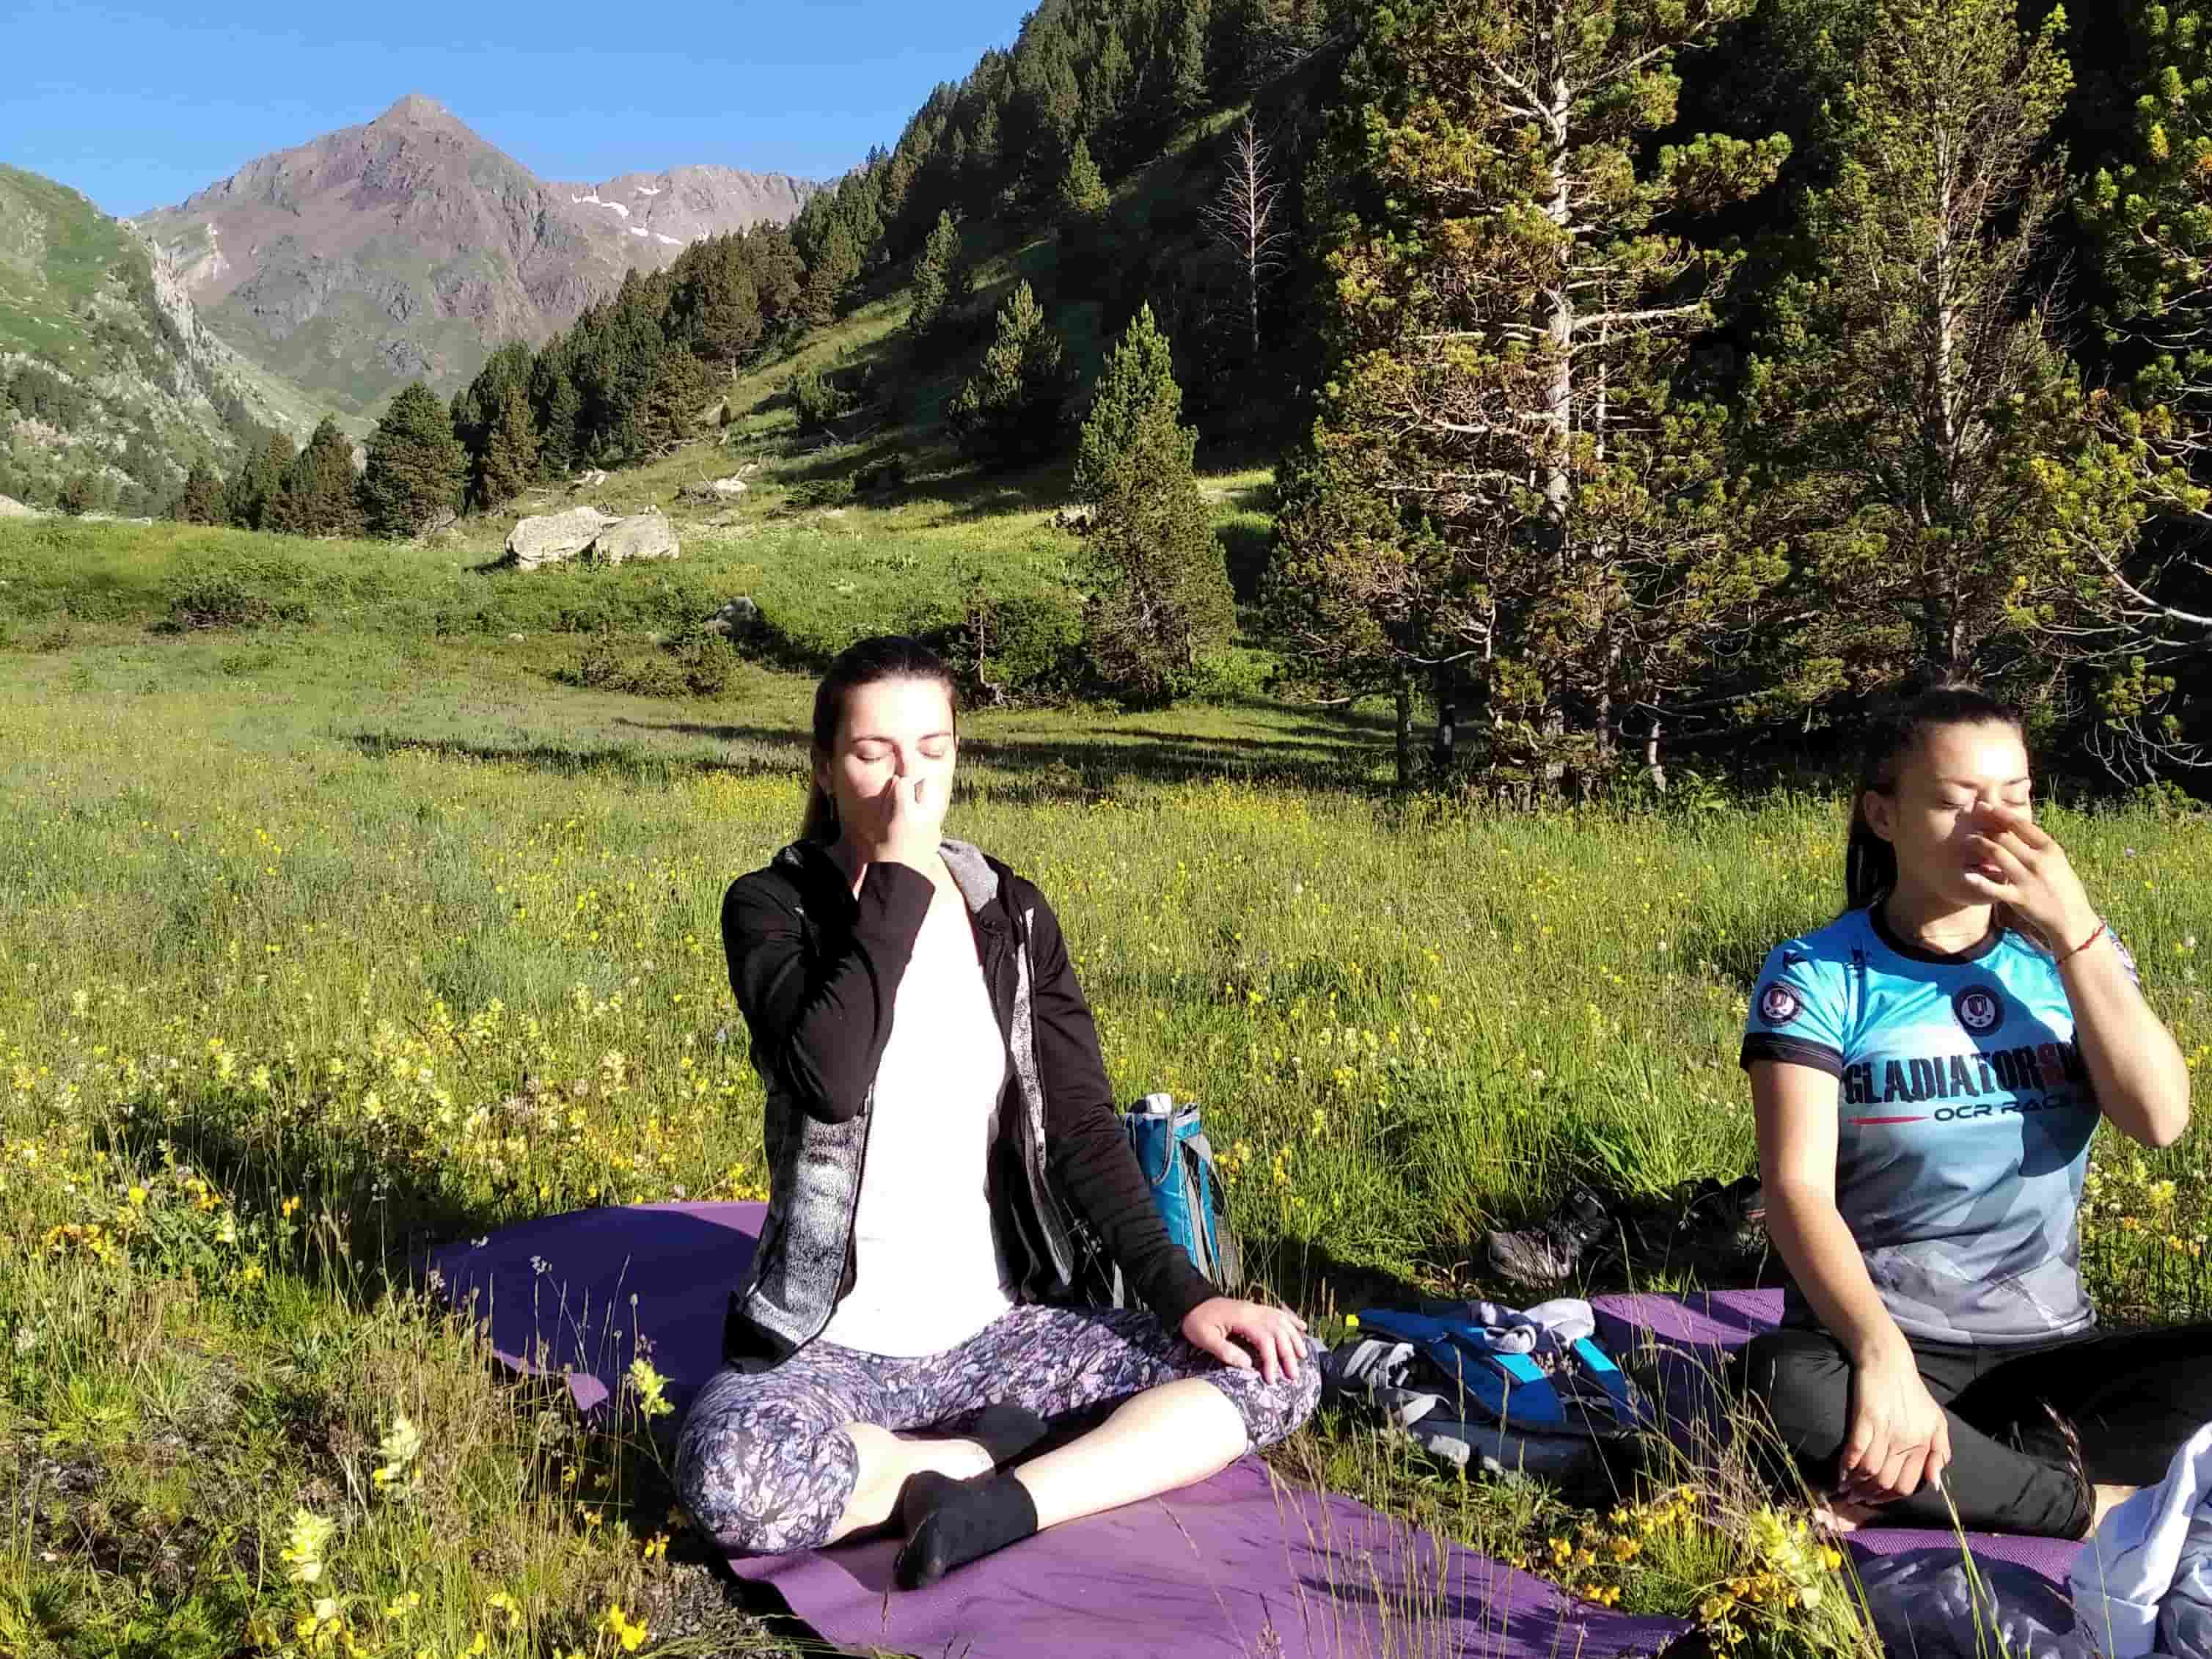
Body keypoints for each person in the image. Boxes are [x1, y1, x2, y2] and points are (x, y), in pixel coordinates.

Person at [675, 635, 1319, 1587]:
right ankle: (982, 1455)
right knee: (732, 1482)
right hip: (834, 1343)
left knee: (1279, 1369)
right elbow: (830, 1078)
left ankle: (999, 1508)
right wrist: (896, 873)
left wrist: (1189, 1297)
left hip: (999, 1333)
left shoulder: (1009, 915)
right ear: (823, 765)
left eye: (932, 750)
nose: (909, 781)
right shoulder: (775, 910)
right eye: (873, 753)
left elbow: (1081, 1130)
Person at [1738, 684, 2202, 1539]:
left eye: (2015, 797)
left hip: (2052, 1355)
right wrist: (1880, 1356)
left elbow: (2160, 1120)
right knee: (1782, 1389)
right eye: (1958, 801)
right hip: (1883, 1347)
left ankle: (1941, 1477)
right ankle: (2086, 1507)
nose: (1995, 826)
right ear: (1884, 815)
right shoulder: (1819, 975)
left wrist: (2072, 930)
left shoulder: (2074, 958)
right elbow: (1795, 1189)